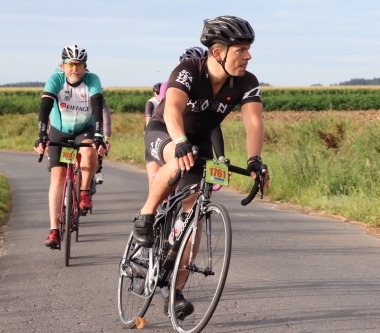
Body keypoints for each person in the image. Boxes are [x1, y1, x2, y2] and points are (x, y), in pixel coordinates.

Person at [135, 15, 269, 318]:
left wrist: (254, 160)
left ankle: (176, 291)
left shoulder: (246, 82)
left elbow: (253, 121)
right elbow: (172, 108)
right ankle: (145, 216)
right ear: (219, 52)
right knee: (175, 163)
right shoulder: (188, 71)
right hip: (166, 131)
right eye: (241, 50)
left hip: (200, 141)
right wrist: (180, 140)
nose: (248, 56)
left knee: (194, 220)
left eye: (249, 49)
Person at [34, 44, 107, 249]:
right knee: (57, 178)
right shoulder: (55, 79)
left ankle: (84, 191)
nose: (74, 69)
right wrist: (41, 135)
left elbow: (97, 106)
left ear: (85, 67)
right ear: (62, 65)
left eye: (79, 65)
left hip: (84, 129)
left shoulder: (92, 80)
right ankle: (54, 230)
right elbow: (45, 107)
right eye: (70, 64)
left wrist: (99, 134)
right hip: (60, 130)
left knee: (88, 149)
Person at [145, 47, 226, 189]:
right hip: (167, 132)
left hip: (194, 138)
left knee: (194, 190)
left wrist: (220, 158)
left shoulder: (207, 88)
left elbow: (213, 126)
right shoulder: (169, 84)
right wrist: (180, 142)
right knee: (173, 167)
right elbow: (170, 111)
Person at [94, 97, 112, 184]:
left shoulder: (100, 100)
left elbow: (106, 118)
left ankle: (98, 170)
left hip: (96, 128)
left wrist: (106, 138)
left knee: (100, 144)